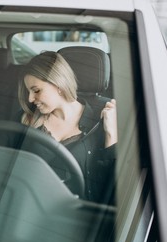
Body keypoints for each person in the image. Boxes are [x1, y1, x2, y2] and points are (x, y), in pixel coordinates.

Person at [17, 51, 117, 204]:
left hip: (76, 214)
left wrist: (111, 134)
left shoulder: (104, 120)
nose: (30, 98)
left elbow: (111, 189)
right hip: (28, 206)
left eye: (36, 90)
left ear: (58, 85)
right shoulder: (26, 118)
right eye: (28, 91)